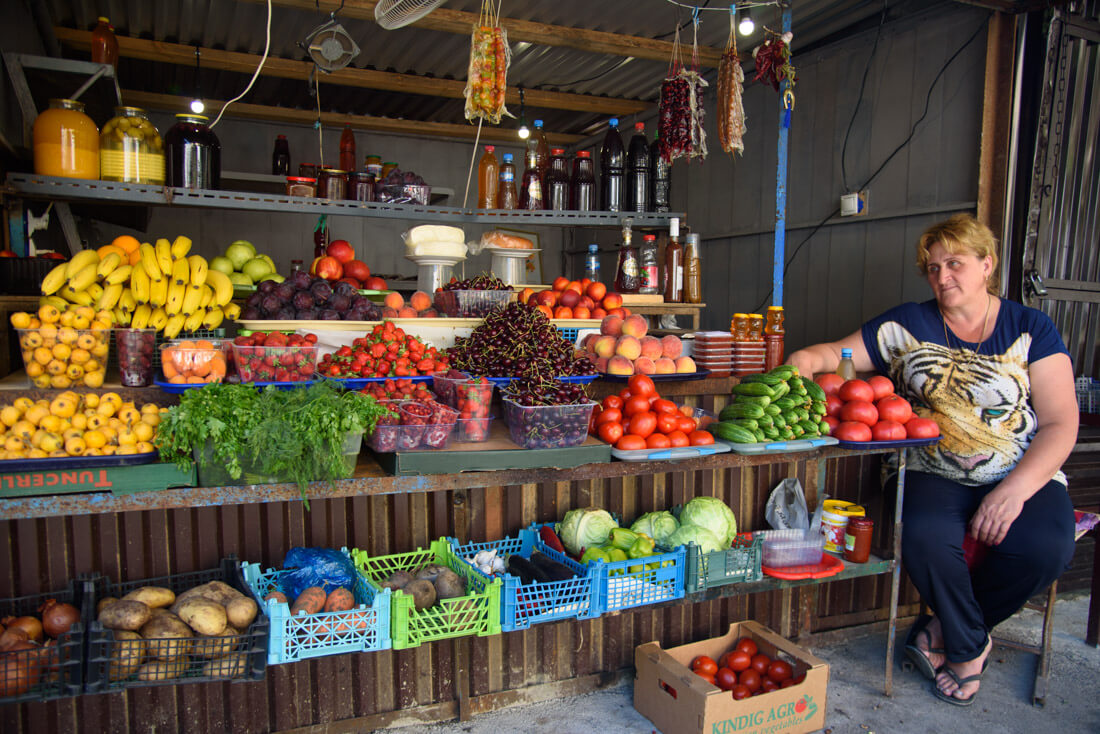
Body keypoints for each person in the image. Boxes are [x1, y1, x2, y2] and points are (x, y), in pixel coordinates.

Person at [787, 214, 1078, 706]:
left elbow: (1060, 423)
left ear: (987, 265)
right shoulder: (908, 323)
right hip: (928, 466)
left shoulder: (1031, 327)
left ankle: (942, 627)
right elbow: (835, 354)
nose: (943, 277)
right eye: (933, 267)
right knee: (922, 535)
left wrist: (1013, 491)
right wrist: (803, 361)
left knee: (1047, 547)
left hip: (1018, 467)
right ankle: (967, 648)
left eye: (955, 264)